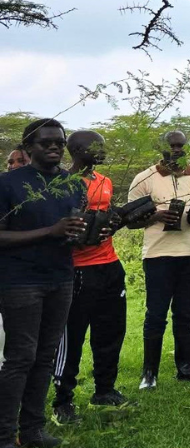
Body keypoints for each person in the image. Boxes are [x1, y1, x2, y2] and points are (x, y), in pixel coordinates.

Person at [0, 118, 83, 448]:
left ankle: (33, 431)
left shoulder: (73, 183)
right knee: (21, 357)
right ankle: (5, 435)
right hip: (20, 281)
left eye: (59, 143)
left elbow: (70, 230)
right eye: (45, 142)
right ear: (27, 147)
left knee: (45, 357)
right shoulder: (9, 184)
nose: (53, 147)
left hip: (60, 277)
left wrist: (87, 233)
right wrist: (50, 232)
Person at [52, 130, 132, 425]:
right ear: (74, 150)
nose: (101, 151)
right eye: (94, 147)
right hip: (77, 270)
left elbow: (108, 219)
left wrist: (115, 224)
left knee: (111, 331)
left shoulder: (105, 182)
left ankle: (105, 390)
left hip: (110, 265)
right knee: (71, 338)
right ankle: (63, 401)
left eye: (103, 146)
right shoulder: (61, 184)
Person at [126, 130, 190, 389]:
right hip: (158, 254)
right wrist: (156, 216)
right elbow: (129, 220)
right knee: (156, 314)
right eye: (171, 145)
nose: (176, 149)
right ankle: (149, 373)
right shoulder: (145, 178)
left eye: (180, 146)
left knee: (186, 314)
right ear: (162, 148)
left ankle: (188, 368)